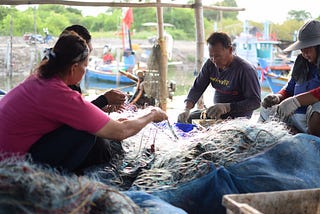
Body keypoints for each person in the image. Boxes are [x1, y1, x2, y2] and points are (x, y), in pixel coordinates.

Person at [0, 32, 168, 173]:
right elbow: (122, 131)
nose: (85, 71)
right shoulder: (58, 93)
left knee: (89, 128)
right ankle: (56, 178)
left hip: (10, 154)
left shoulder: (39, 79)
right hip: (12, 168)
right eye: (85, 66)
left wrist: (106, 118)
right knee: (86, 132)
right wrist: (152, 114)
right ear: (74, 68)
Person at [177, 32, 261, 123]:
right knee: (186, 119)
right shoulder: (210, 64)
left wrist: (227, 107)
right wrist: (186, 109)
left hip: (238, 119)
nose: (214, 60)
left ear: (230, 50)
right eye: (211, 56)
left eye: (218, 56)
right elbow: (197, 87)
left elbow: (255, 102)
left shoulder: (245, 70)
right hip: (216, 114)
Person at [260, 20, 320, 135]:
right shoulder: (301, 63)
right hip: (294, 117)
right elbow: (290, 89)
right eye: (302, 50)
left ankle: (315, 144)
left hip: (312, 121)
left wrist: (296, 101)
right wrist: (278, 97)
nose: (305, 54)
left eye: (308, 50)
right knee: (267, 108)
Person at [61, 25, 126, 112]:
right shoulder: (55, 85)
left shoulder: (54, 74)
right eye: (85, 55)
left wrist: (99, 107)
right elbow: (76, 115)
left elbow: (76, 108)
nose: (87, 64)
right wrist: (104, 100)